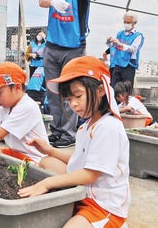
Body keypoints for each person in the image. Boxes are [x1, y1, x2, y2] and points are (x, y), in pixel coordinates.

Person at [18, 56, 130, 228]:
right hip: (82, 193)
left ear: (101, 90)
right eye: (69, 99)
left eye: (78, 96)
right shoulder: (86, 127)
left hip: (103, 205)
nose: (74, 105)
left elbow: (90, 174)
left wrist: (47, 183)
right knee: (46, 161)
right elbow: (81, 163)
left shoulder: (108, 127)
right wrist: (49, 150)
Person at [39, 0, 121, 148]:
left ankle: (68, 134)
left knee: (70, 91)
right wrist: (53, 1)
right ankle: (57, 130)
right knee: (53, 92)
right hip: (52, 47)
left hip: (73, 48)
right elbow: (43, 0)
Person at [106, 11, 145, 88]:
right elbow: (114, 46)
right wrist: (109, 42)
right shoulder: (120, 33)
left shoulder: (138, 36)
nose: (126, 24)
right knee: (115, 87)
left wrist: (120, 44)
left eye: (128, 22)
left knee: (126, 88)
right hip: (118, 63)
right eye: (125, 22)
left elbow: (133, 49)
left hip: (129, 64)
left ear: (134, 22)